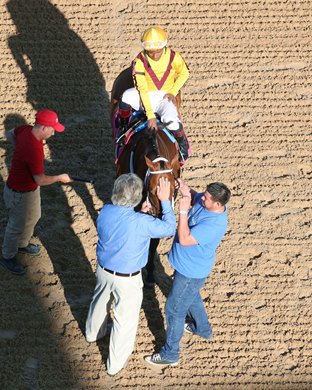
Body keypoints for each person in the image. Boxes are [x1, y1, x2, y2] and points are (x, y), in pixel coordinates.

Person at [85, 173, 176, 376]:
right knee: (124, 321)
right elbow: (169, 228)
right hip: (127, 279)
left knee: (99, 302)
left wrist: (140, 214)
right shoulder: (141, 223)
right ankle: (114, 365)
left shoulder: (105, 211)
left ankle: (93, 333)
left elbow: (124, 224)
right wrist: (164, 201)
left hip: (103, 270)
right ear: (137, 197)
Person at [145, 179, 231, 367]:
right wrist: (185, 189)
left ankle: (170, 354)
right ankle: (203, 329)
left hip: (191, 271)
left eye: (207, 198)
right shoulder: (207, 201)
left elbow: (184, 239)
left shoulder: (214, 225)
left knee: (174, 310)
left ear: (218, 204)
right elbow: (195, 196)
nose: (202, 199)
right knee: (191, 296)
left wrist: (182, 211)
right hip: (188, 267)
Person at [0, 110, 72, 276]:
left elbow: (10, 134)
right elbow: (40, 179)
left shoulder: (26, 129)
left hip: (29, 190)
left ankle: (22, 244)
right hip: (19, 194)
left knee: (34, 216)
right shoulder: (34, 150)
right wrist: (60, 178)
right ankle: (7, 256)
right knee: (15, 226)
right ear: (43, 127)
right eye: (52, 129)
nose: (54, 132)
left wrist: (18, 148)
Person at [119, 26, 190, 162]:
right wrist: (150, 116)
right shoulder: (139, 61)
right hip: (145, 95)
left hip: (165, 97)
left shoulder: (174, 57)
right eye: (151, 52)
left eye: (157, 51)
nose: (155, 55)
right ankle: (123, 128)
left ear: (163, 46)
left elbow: (185, 73)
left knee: (174, 124)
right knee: (125, 97)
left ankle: (182, 144)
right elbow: (142, 88)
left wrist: (173, 91)